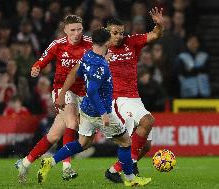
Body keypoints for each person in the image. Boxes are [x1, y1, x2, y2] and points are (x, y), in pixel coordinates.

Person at [39, 28, 151, 187]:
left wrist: (104, 60)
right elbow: (91, 91)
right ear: (106, 42)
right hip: (99, 111)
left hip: (85, 109)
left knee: (82, 143)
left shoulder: (88, 56)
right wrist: (104, 113)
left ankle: (51, 161)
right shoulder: (100, 65)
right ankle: (131, 179)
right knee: (126, 142)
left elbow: (81, 73)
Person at [15, 15, 92, 183]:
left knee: (54, 135)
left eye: (79, 29)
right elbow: (42, 60)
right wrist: (36, 68)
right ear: (65, 30)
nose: (77, 33)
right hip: (61, 91)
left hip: (82, 93)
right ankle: (66, 167)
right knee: (72, 123)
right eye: (73, 30)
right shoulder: (57, 44)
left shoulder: (89, 43)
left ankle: (25, 162)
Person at [104, 7, 164, 183]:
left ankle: (114, 170)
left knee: (145, 145)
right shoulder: (101, 50)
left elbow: (155, 35)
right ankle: (132, 167)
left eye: (121, 33)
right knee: (148, 121)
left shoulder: (132, 42)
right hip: (118, 99)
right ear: (107, 33)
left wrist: (159, 24)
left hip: (135, 97)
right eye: (115, 33)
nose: (119, 36)